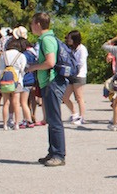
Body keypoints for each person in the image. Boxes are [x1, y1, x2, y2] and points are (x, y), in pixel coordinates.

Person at [27, 13, 67, 166]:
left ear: (38, 24)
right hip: (47, 83)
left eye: (32, 23)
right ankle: (52, 152)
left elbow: (50, 62)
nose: (31, 26)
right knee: (51, 119)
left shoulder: (47, 40)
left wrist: (33, 67)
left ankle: (59, 155)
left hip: (52, 82)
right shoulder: (46, 39)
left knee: (55, 120)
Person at [0, 35, 27, 130]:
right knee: (16, 103)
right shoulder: (21, 55)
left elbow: (0, 69)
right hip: (17, 81)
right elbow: (23, 69)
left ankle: (5, 124)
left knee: (5, 103)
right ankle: (16, 123)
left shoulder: (3, 55)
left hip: (5, 80)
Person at [62, 30, 87, 126]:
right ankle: (74, 113)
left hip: (79, 75)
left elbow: (81, 63)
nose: (68, 40)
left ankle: (82, 117)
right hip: (71, 75)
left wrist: (74, 69)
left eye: (70, 39)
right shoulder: (71, 49)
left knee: (79, 97)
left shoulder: (82, 49)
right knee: (65, 97)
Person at [11, 26, 35, 129]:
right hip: (32, 79)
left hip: (25, 80)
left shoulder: (23, 55)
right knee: (28, 101)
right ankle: (28, 118)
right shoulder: (31, 53)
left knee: (23, 102)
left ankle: (28, 120)